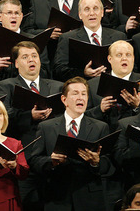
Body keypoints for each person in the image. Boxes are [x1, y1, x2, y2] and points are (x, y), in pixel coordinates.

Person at [0, 41, 63, 211]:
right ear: (16, 63)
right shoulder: (4, 86)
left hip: (54, 159)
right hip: (24, 161)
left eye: (34, 56)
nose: (31, 60)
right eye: (25, 57)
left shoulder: (57, 86)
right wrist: (28, 116)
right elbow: (0, 117)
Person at [30, 76, 111, 210]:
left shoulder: (100, 127)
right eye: (75, 93)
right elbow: (34, 161)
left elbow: (109, 163)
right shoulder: (46, 127)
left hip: (89, 200)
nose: (81, 97)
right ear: (64, 100)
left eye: (84, 94)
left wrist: (96, 162)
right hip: (57, 199)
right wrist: (51, 161)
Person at [0, 0, 51, 96]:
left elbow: (47, 74)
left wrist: (31, 67)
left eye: (17, 13)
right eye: (9, 13)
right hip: (1, 99)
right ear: (0, 16)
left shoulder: (35, 41)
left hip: (31, 95)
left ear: (21, 16)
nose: (13, 16)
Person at [53, 0, 127, 82]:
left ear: (102, 12)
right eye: (87, 9)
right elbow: (58, 70)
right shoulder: (67, 38)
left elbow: (129, 65)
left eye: (95, 8)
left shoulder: (119, 37)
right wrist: (83, 73)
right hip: (83, 87)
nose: (92, 13)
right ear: (80, 15)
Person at [86, 40, 140, 130]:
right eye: (119, 55)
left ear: (133, 58)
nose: (124, 58)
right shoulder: (92, 85)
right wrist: (100, 109)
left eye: (128, 55)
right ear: (110, 59)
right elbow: (84, 118)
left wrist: (138, 107)